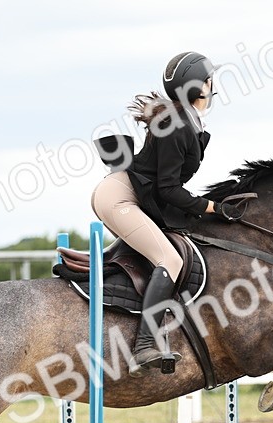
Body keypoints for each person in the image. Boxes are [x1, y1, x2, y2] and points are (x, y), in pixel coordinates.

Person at [91, 51, 220, 374]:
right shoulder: (177, 124)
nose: (213, 86)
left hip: (132, 195)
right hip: (120, 198)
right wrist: (211, 207)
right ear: (200, 86)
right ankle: (145, 345)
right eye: (209, 80)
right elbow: (168, 189)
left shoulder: (186, 121)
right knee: (171, 260)